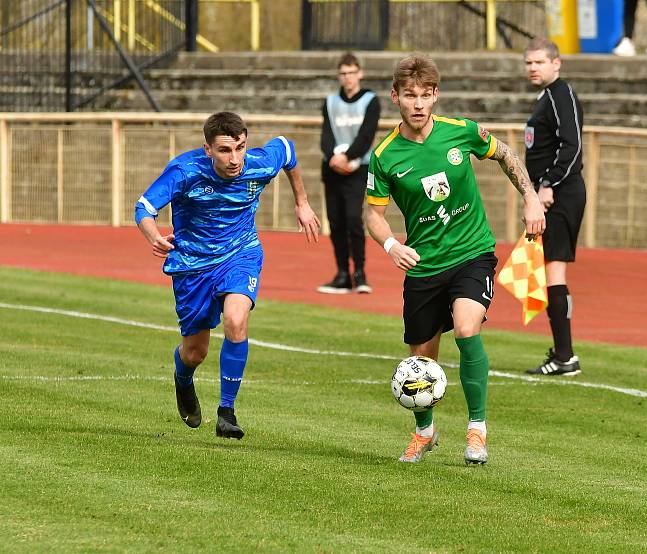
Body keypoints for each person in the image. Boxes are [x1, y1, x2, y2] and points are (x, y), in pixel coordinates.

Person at [366, 54, 546, 465]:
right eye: (409, 96)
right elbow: (373, 215)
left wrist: (531, 195)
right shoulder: (385, 156)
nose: (417, 104)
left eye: (425, 96)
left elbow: (504, 154)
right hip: (424, 266)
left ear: (435, 97)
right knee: (420, 360)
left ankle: (477, 430)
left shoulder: (460, 132)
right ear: (395, 97)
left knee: (467, 329)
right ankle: (425, 432)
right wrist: (392, 246)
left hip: (472, 253)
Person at [134, 111, 320, 439]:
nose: (235, 159)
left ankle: (226, 412)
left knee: (236, 319)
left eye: (240, 148)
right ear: (208, 149)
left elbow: (287, 149)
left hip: (240, 255)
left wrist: (302, 202)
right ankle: (183, 380)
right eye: (224, 151)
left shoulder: (258, 163)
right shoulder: (184, 171)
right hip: (193, 266)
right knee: (195, 352)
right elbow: (144, 208)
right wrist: (154, 237)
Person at [522, 37, 586, 377]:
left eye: (540, 62)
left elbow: (572, 147)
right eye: (529, 62)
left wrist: (547, 184)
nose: (533, 67)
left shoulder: (562, 95)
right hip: (547, 193)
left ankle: (565, 356)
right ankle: (562, 353)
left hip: (561, 194)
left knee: (554, 271)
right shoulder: (545, 98)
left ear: (556, 63)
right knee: (547, 270)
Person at [317, 52, 381, 294]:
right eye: (343, 73)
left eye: (352, 73)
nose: (348, 78)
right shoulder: (330, 101)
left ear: (360, 73)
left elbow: (367, 135)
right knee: (336, 222)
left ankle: (360, 273)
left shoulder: (370, 101)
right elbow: (326, 134)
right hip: (332, 167)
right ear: (339, 75)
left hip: (357, 168)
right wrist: (333, 156)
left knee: (354, 219)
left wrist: (348, 157)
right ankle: (342, 273)